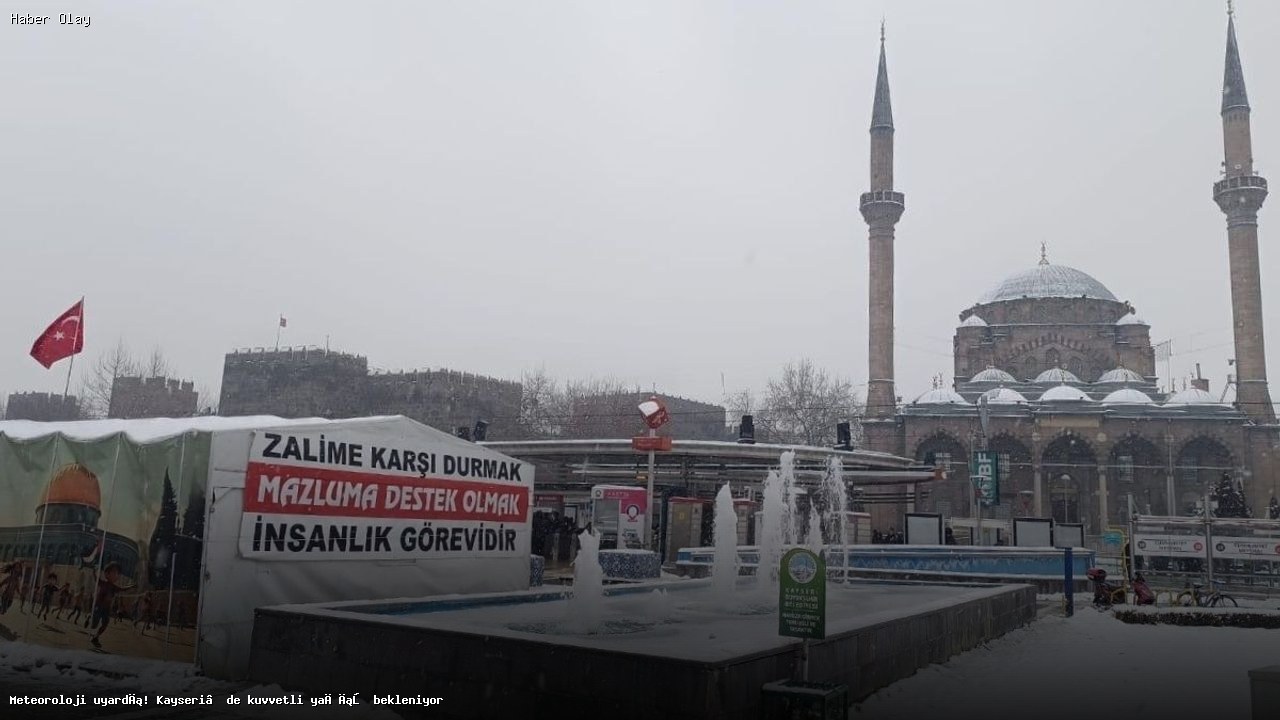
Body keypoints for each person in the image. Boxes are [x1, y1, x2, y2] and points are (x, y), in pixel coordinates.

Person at [90, 563, 132, 649]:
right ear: (107, 574)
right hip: (99, 606)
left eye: (117, 574)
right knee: (93, 625)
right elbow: (96, 578)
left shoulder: (114, 587)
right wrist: (94, 571)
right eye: (114, 573)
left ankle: (95, 637)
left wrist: (132, 586)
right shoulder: (103, 583)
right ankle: (89, 617)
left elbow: (123, 589)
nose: (116, 575)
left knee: (105, 624)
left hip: (106, 609)